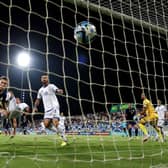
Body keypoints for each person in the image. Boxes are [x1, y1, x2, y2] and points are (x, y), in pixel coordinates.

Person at [33, 74, 67, 146]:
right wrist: (35, 107)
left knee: (55, 123)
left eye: (45, 78)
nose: (44, 79)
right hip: (47, 110)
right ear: (41, 80)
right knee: (46, 125)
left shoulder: (51, 86)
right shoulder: (40, 90)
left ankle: (64, 139)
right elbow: (38, 100)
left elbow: (56, 90)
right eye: (43, 78)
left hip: (54, 107)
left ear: (48, 79)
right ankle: (59, 131)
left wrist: (59, 91)